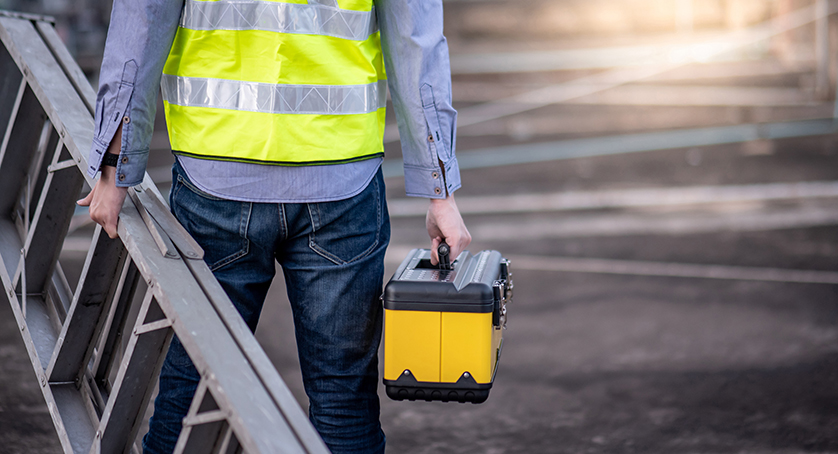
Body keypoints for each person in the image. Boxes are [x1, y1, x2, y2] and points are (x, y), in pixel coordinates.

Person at [77, 0, 470, 453]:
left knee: (193, 385)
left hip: (216, 177)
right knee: (342, 399)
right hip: (340, 181)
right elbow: (415, 42)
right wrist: (440, 191)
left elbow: (142, 21)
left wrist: (115, 166)